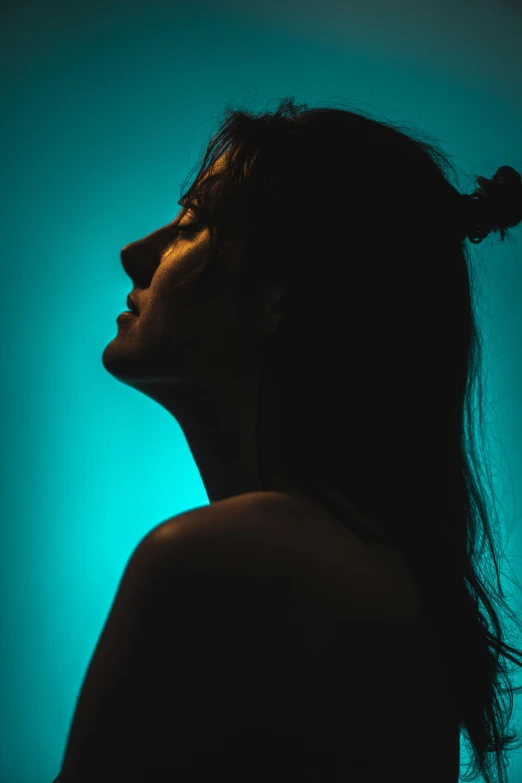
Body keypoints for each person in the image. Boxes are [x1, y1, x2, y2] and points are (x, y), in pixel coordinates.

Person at [55, 97, 522, 782]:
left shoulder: (217, 562)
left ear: (281, 292)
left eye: (194, 223)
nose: (136, 253)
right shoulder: (391, 583)